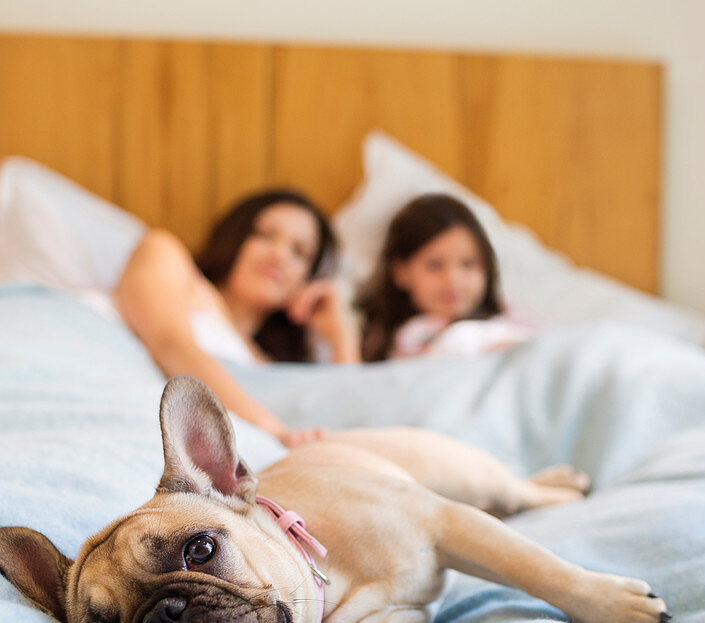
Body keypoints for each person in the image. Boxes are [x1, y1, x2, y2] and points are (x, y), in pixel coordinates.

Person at [116, 189, 360, 448]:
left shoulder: (263, 364)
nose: (279, 255)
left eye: (299, 252)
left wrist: (341, 335)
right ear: (235, 237)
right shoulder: (168, 256)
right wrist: (274, 432)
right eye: (265, 235)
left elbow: (347, 410)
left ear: (308, 277)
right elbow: (170, 343)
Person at [355, 193, 533, 362]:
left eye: (468, 264)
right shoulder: (385, 339)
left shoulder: (504, 323)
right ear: (401, 272)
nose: (453, 279)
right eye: (435, 265)